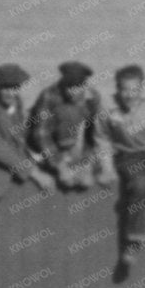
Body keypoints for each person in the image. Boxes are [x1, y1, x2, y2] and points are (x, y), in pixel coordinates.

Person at [97, 64, 145, 275]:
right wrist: (107, 168)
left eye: (134, 90)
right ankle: (133, 239)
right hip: (120, 154)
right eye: (124, 90)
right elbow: (102, 140)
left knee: (142, 184)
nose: (129, 95)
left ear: (142, 88)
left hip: (144, 153)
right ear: (117, 89)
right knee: (134, 183)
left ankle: (133, 241)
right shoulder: (106, 106)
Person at [0, 63, 52, 191]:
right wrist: (34, 173)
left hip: (9, 151)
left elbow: (17, 134)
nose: (11, 93)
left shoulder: (16, 101)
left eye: (15, 87)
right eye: (5, 88)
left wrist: (31, 155)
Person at [29, 61, 107, 191]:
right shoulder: (49, 95)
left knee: (86, 182)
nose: (72, 92)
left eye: (78, 87)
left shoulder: (93, 97)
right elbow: (41, 134)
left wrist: (88, 162)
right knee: (67, 112)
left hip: (78, 147)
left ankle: (79, 164)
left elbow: (97, 133)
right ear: (63, 83)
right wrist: (59, 164)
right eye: (68, 87)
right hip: (50, 145)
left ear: (85, 85)